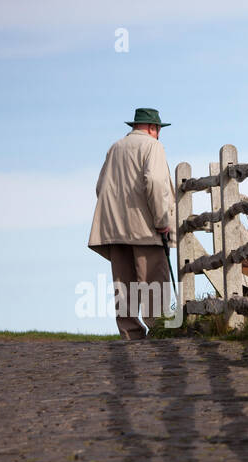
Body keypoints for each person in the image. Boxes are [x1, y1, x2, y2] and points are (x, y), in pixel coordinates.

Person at [87, 108, 176, 340]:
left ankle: (130, 334)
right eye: (158, 130)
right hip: (145, 228)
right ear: (153, 128)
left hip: (114, 229)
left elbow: (100, 187)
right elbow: (155, 182)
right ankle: (159, 330)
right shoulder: (152, 146)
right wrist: (162, 221)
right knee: (153, 282)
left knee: (123, 284)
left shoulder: (115, 148)